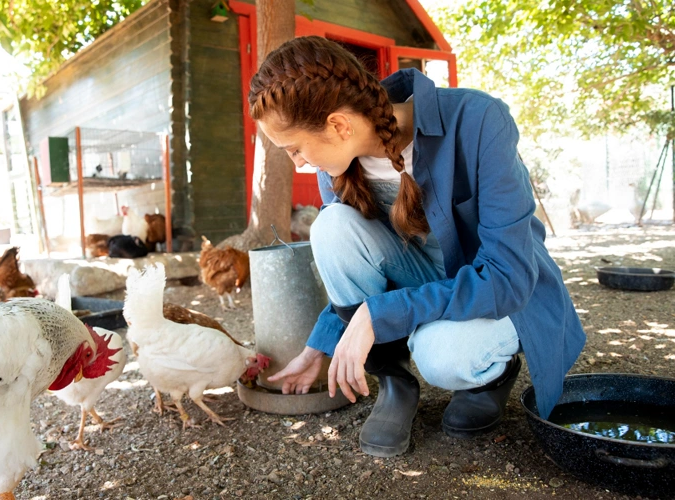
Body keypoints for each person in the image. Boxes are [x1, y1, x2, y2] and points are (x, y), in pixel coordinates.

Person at [249, 36, 586, 458]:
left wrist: (383, 313)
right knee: (330, 226)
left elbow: (509, 278)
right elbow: (351, 262)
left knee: (441, 356)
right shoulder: (336, 163)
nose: (297, 163)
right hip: (425, 283)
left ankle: (490, 375)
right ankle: (394, 381)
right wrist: (321, 345)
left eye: (295, 148)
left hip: (500, 292)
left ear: (338, 125)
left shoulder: (480, 120)